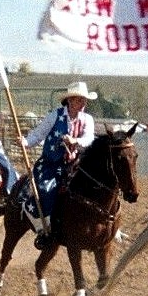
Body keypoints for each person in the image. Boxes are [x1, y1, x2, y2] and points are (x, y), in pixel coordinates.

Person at [21, 81, 97, 232]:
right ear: (69, 100)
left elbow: (89, 139)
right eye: (79, 99)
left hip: (75, 164)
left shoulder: (87, 119)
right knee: (46, 190)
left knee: (95, 187)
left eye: (84, 100)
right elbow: (38, 134)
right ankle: (44, 224)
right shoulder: (55, 115)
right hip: (51, 163)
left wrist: (76, 140)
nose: (82, 103)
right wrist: (25, 142)